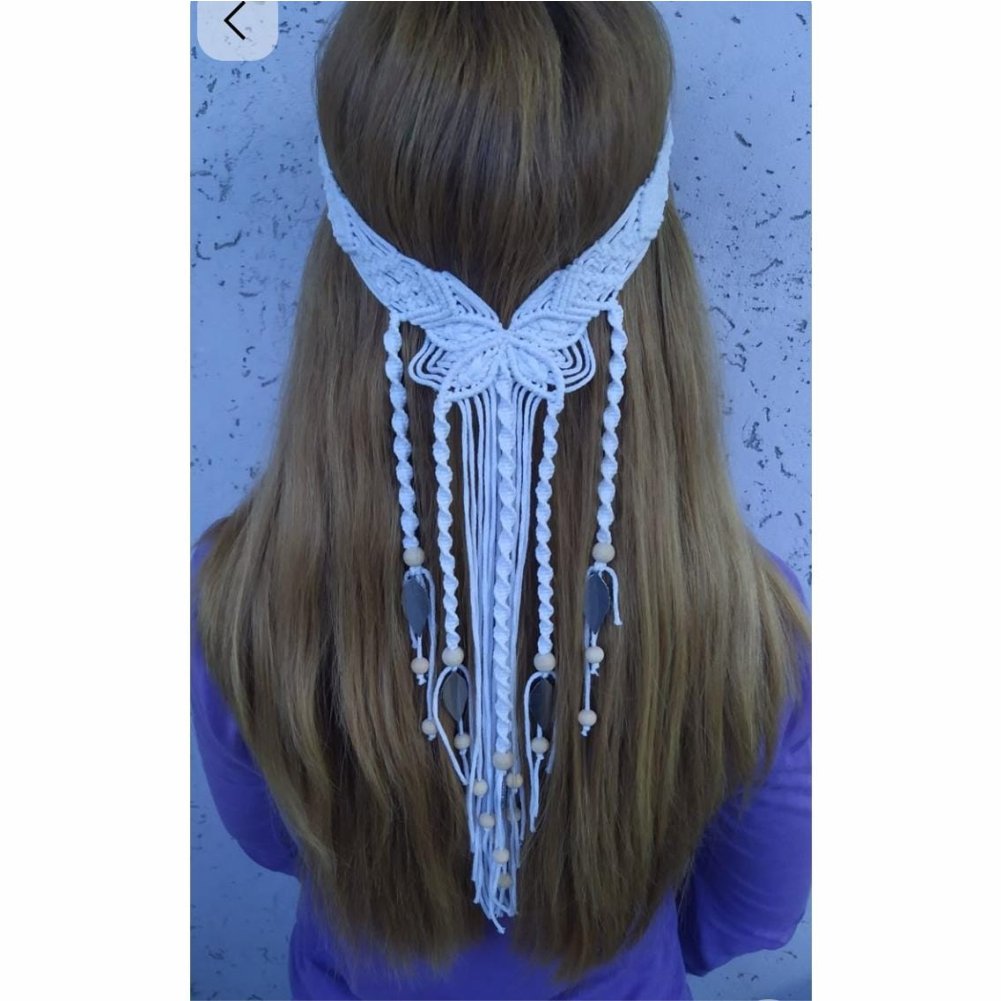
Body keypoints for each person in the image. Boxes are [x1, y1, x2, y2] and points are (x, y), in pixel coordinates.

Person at [191, 4, 812, 999]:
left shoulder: (237, 595)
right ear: (657, 289)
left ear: (338, 288)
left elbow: (273, 843)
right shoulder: (754, 629)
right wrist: (620, 942)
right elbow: (752, 913)